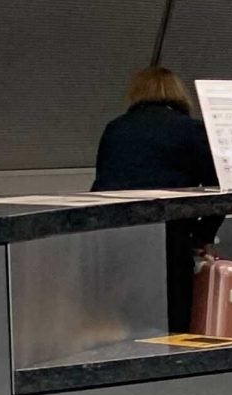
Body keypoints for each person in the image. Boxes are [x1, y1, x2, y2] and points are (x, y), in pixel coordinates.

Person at [93, 65, 219, 329]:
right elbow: (217, 189)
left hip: (113, 231)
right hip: (168, 233)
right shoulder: (191, 130)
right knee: (174, 314)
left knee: (123, 315)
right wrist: (202, 236)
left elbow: (104, 179)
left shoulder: (116, 128)